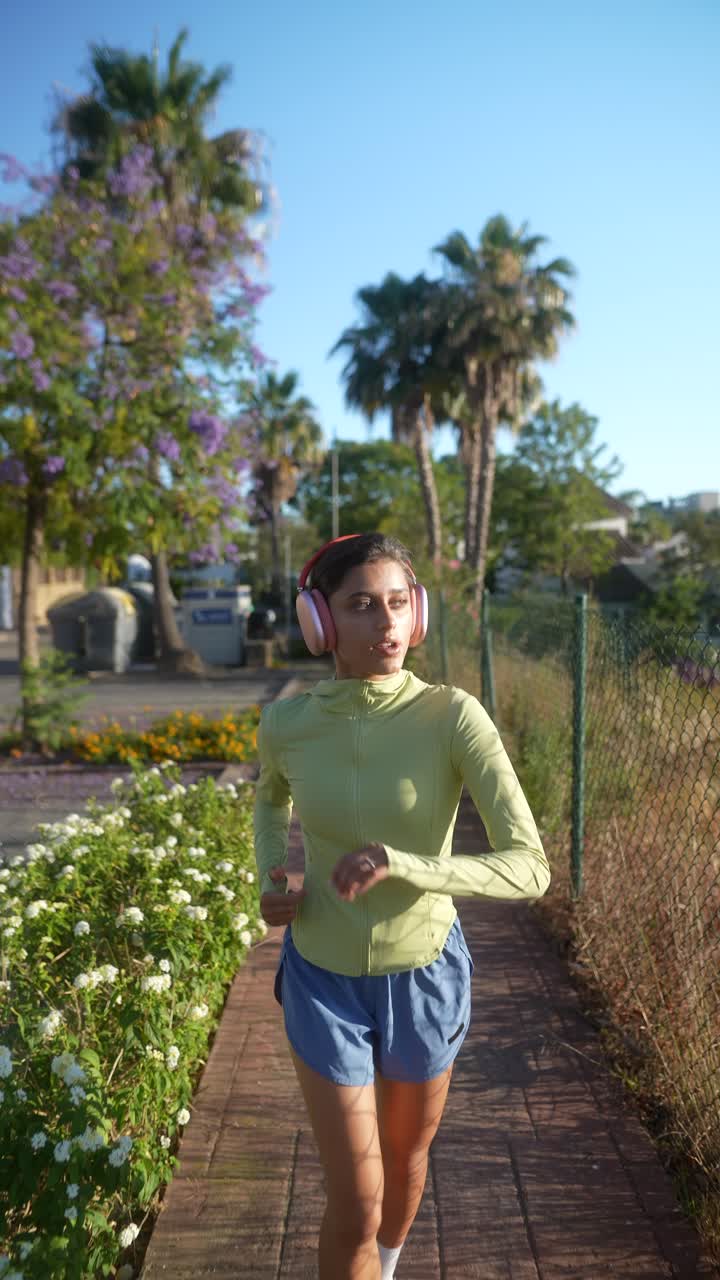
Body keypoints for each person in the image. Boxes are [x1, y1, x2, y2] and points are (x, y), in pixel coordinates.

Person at [253, 532, 550, 1280]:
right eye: (360, 605)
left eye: (396, 603)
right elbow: (269, 799)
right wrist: (271, 875)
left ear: (416, 612)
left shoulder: (453, 716)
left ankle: (384, 1268)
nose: (385, 622)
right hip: (322, 977)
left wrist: (404, 865)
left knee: (405, 1158)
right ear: (320, 621)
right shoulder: (287, 724)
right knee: (356, 1199)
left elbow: (530, 869)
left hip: (424, 974)